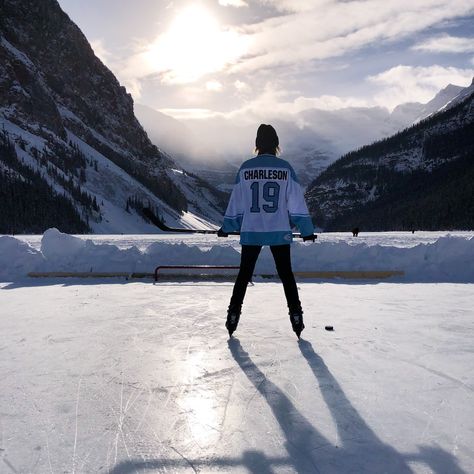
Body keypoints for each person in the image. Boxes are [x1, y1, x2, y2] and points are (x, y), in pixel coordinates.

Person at [218, 124, 316, 338]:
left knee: (244, 274)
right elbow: (297, 204)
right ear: (276, 144)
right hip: (278, 230)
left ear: (257, 145)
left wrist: (227, 227)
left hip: (252, 231)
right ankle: (296, 315)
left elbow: (237, 203)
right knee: (286, 275)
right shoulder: (286, 169)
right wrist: (306, 230)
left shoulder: (245, 169)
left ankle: (233, 315)